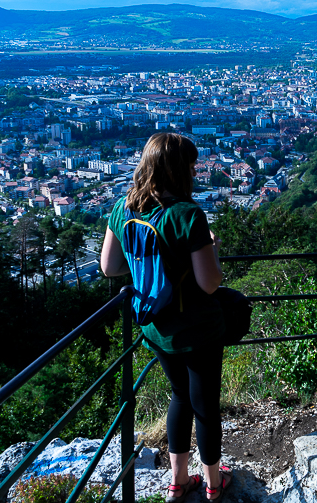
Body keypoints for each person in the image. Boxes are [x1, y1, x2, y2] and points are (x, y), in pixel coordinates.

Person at [100, 132, 232, 501]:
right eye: (191, 167)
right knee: (205, 405)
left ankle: (177, 481)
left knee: (179, 396)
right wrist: (211, 248)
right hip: (198, 328)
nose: (194, 172)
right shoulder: (187, 215)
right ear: (179, 171)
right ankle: (213, 484)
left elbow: (109, 267)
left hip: (156, 326)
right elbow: (209, 283)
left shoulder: (122, 208)